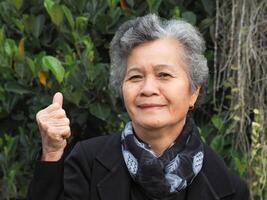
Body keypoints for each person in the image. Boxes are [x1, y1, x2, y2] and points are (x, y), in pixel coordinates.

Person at [28, 14, 249, 200]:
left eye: (164, 75)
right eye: (135, 77)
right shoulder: (88, 162)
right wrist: (51, 153)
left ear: (193, 91)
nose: (148, 89)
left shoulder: (229, 189)